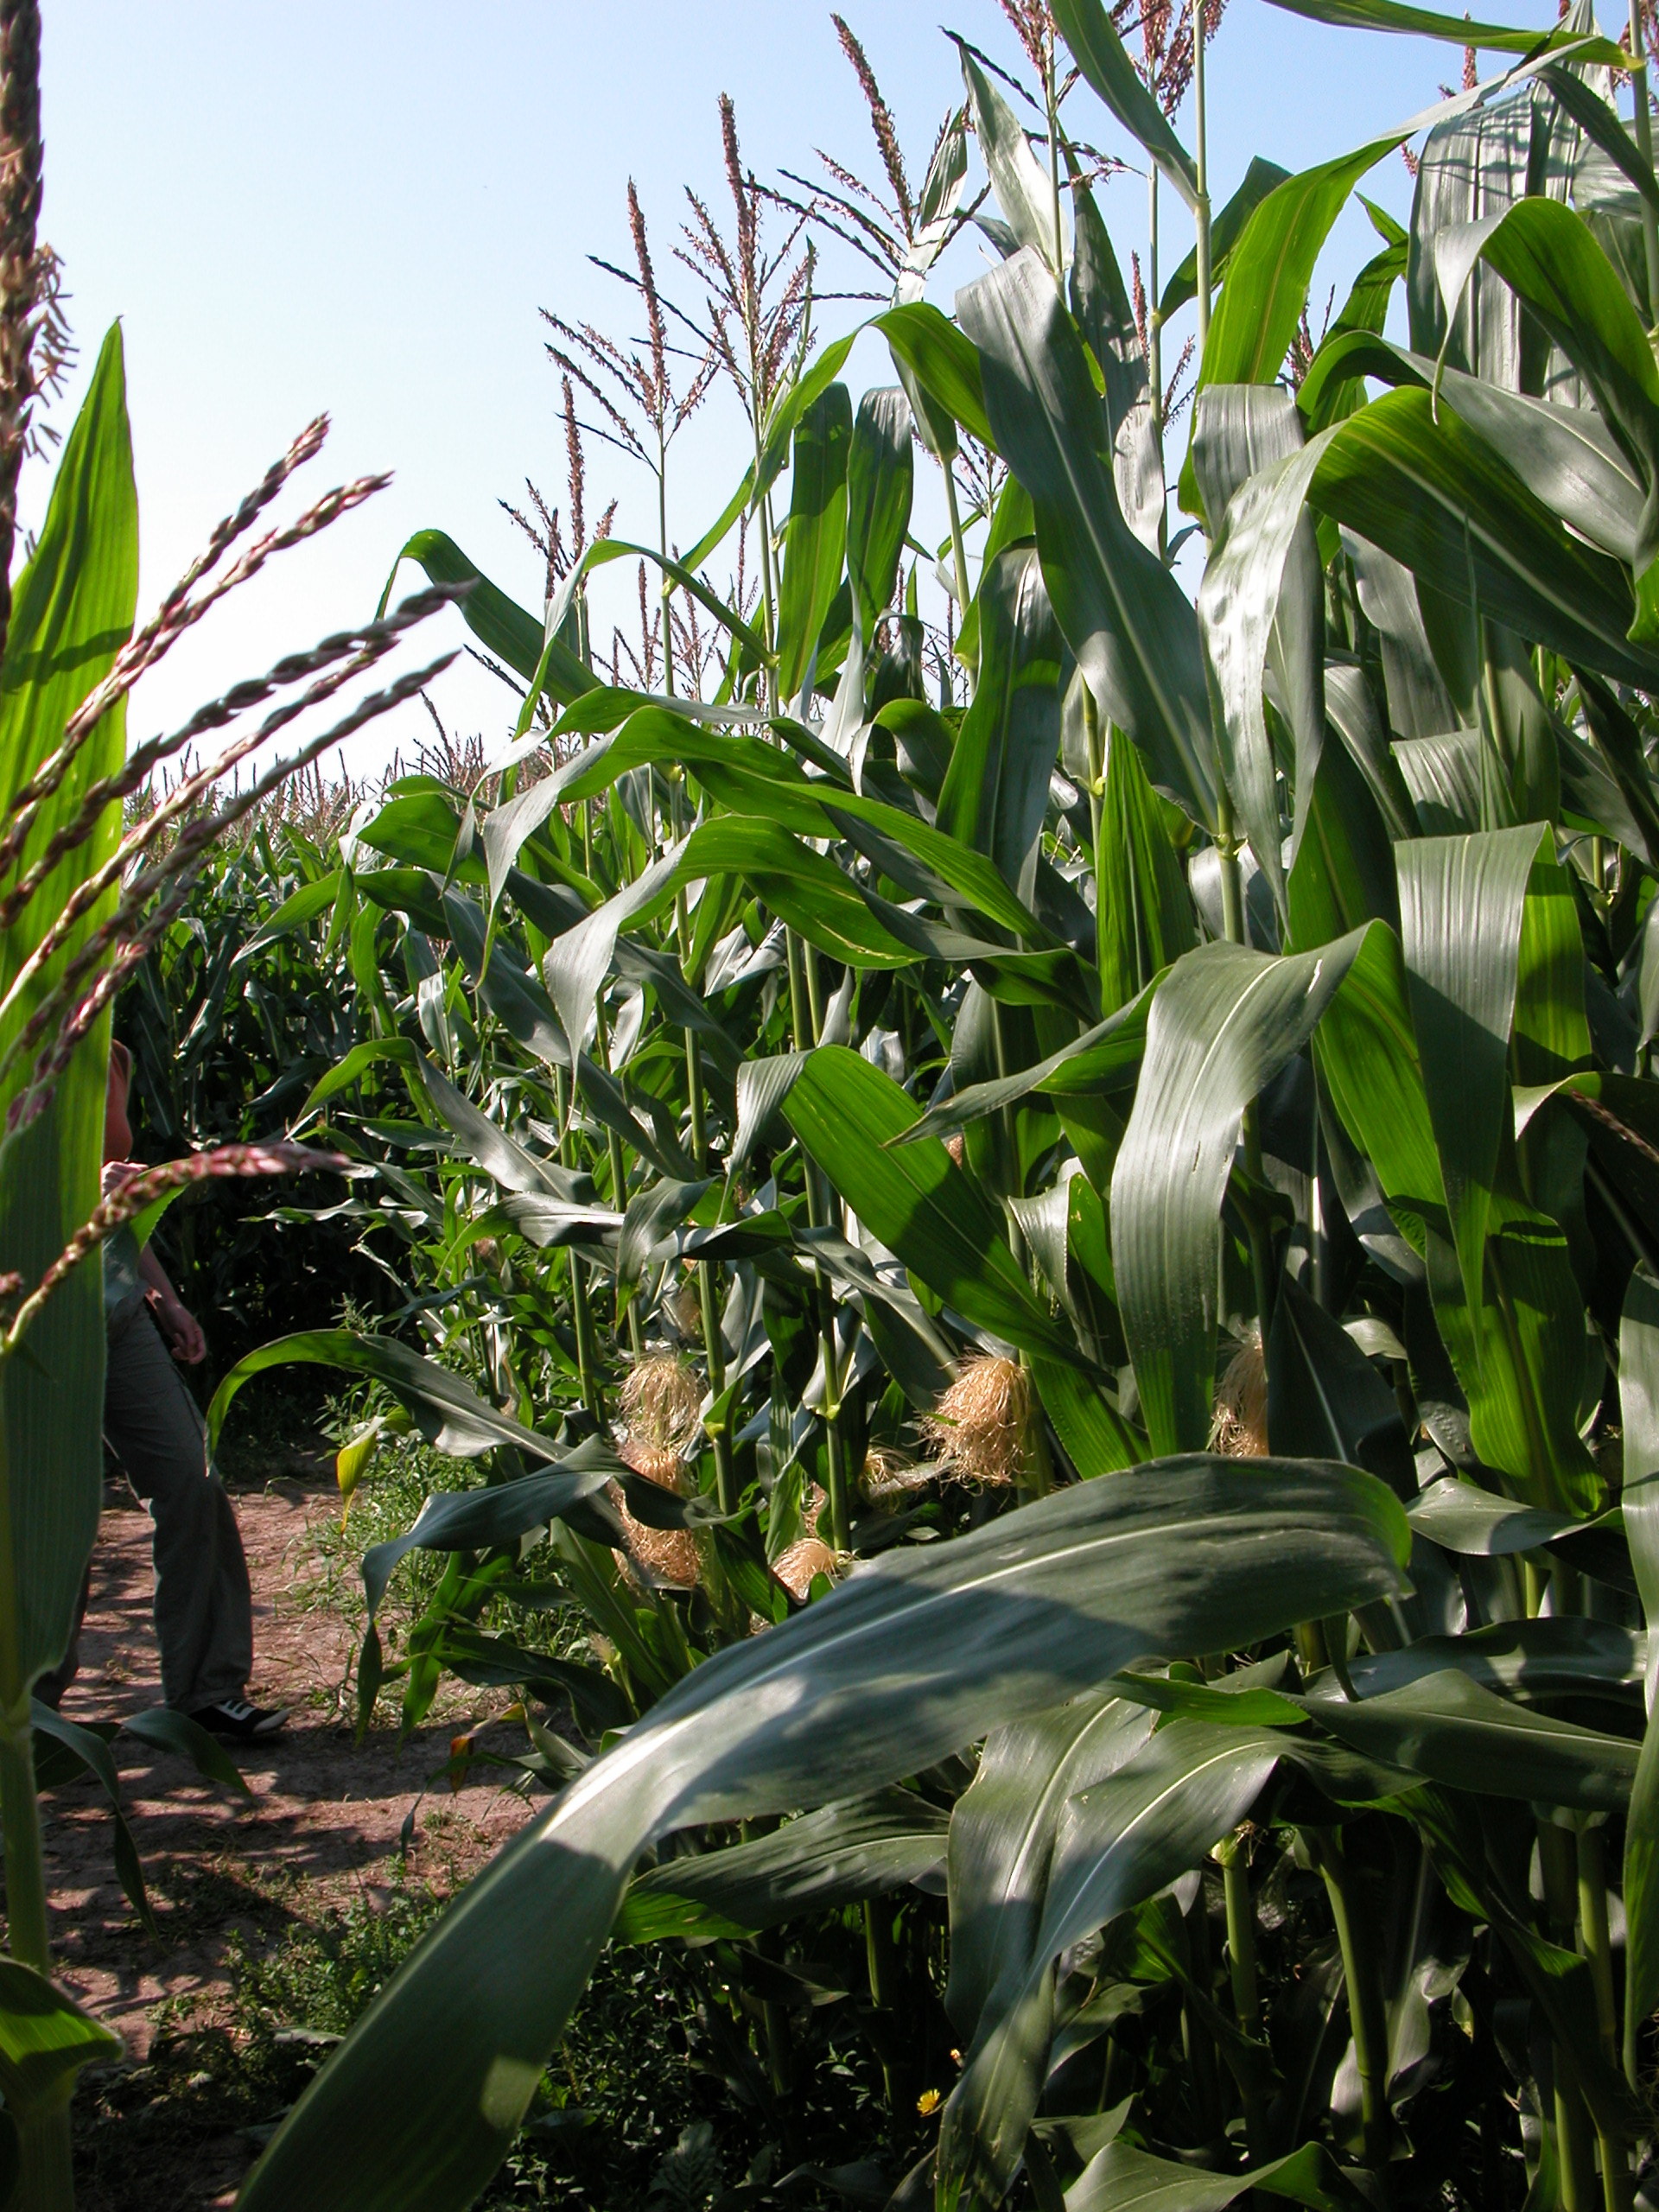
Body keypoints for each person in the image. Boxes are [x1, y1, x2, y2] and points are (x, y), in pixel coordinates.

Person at [36, 1041, 287, 1744]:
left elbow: (118, 1204)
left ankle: (207, 1692)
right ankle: (32, 1708)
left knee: (192, 1479)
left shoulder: (113, 1054)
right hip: (38, 1326)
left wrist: (164, 1298)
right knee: (58, 1519)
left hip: (116, 1315)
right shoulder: (17, 1036)